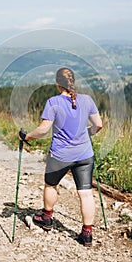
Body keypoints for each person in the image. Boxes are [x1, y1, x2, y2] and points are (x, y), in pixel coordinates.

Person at [19, 67, 102, 247]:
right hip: (85, 154)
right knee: (86, 193)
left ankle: (47, 217)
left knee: (51, 185)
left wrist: (26, 137)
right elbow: (99, 125)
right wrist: (86, 135)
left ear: (58, 84)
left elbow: (43, 130)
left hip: (60, 155)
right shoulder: (87, 100)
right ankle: (87, 233)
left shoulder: (53, 102)